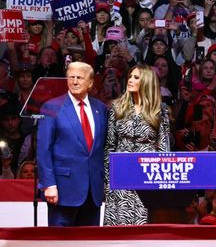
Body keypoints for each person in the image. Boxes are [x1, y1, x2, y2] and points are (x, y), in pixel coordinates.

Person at [36, 60, 107, 226]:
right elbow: (43, 150)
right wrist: (49, 184)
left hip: (93, 191)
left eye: (80, 78)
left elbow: (102, 148)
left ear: (90, 82)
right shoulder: (51, 107)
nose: (74, 82)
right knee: (60, 245)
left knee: (89, 245)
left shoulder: (101, 109)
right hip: (62, 189)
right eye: (71, 77)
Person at [102, 64, 171, 226]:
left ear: (146, 82)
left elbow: (163, 150)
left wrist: (161, 184)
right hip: (120, 177)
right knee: (119, 227)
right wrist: (108, 180)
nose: (130, 80)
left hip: (147, 178)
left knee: (144, 227)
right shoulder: (117, 108)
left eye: (136, 78)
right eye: (130, 77)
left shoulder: (159, 111)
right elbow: (110, 146)